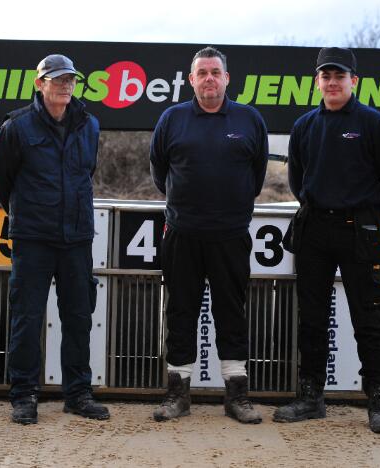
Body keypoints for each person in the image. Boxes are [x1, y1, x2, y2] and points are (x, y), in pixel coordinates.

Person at [274, 47, 380, 433]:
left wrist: (367, 216)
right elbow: (298, 180)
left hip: (359, 232)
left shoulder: (374, 123)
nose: (332, 83)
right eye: (325, 76)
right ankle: (311, 396)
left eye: (339, 76)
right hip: (314, 230)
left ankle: (379, 400)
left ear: (354, 81)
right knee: (311, 319)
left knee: (368, 319)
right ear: (317, 82)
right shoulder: (304, 126)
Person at [149, 46, 268, 424]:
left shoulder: (250, 119)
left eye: (215, 72)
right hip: (182, 235)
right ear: (191, 79)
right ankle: (177, 395)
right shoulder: (172, 118)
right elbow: (159, 173)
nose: (209, 79)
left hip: (231, 236)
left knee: (231, 313)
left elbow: (257, 177)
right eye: (202, 73)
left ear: (227, 78)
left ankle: (237, 396)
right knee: (181, 313)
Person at [0, 54, 109, 425]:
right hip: (33, 239)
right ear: (39, 84)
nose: (64, 85)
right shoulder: (17, 127)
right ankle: (23, 395)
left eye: (70, 79)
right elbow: (1, 182)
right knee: (27, 318)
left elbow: (86, 172)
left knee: (78, 317)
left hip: (76, 239)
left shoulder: (89, 125)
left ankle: (78, 393)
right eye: (56, 79)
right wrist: (30, 213)